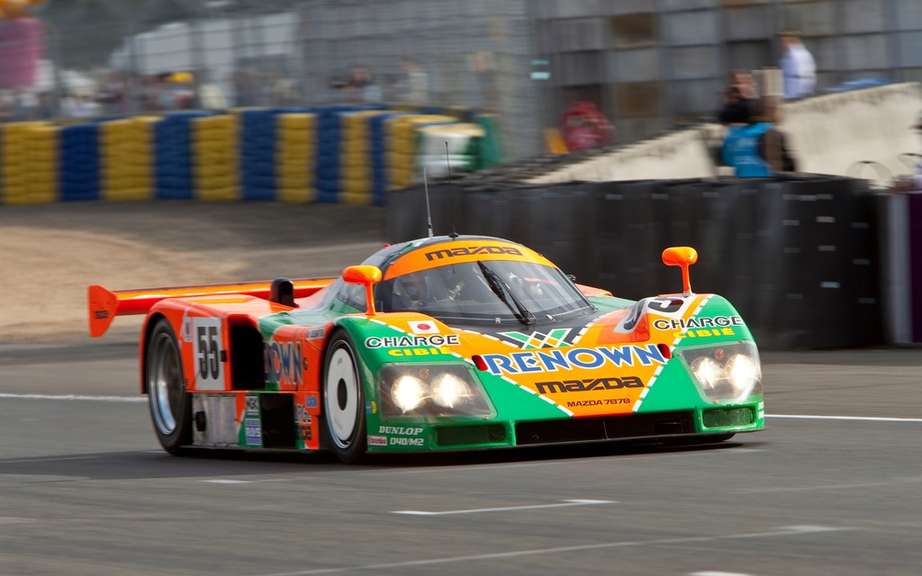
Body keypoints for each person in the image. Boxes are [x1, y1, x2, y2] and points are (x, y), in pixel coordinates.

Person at [721, 100, 797, 177]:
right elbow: (789, 168)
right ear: (768, 113)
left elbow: (728, 161)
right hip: (766, 185)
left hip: (740, 185)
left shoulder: (733, 135)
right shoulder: (773, 133)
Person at [780, 31, 816, 100]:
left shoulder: (792, 53)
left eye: (783, 41)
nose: (782, 44)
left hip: (795, 86)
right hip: (803, 86)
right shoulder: (805, 52)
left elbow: (796, 73)